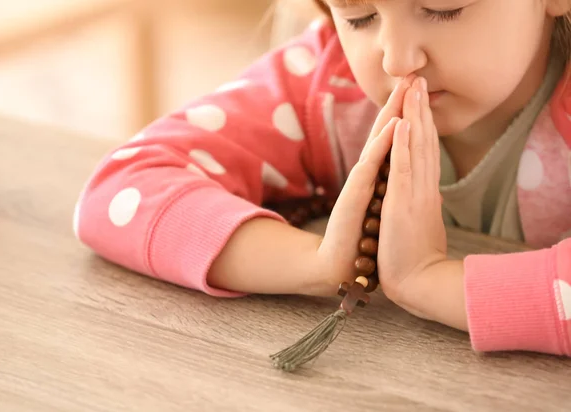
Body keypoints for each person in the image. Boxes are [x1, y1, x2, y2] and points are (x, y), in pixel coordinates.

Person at [73, 0, 571, 356]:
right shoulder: (324, 84)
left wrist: (432, 281)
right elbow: (120, 190)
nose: (396, 59)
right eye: (358, 14)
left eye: (443, 8)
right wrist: (317, 261)